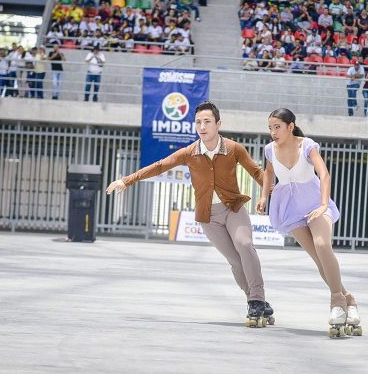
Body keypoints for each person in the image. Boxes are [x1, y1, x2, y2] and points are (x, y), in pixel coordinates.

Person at [106, 101, 275, 327]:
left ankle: (257, 297)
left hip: (233, 208)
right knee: (235, 261)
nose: (202, 126)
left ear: (218, 124)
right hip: (208, 216)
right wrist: (127, 180)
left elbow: (257, 173)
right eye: (198, 122)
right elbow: (160, 166)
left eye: (207, 122)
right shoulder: (190, 152)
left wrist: (275, 191)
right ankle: (255, 302)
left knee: (244, 244)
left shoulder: (234, 149)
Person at [255, 108, 361, 337]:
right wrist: (264, 196)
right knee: (318, 260)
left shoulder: (307, 145)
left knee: (323, 246)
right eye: (270, 128)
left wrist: (324, 204)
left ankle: (337, 303)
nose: (273, 132)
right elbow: (268, 174)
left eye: (277, 127)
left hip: (315, 204)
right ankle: (348, 299)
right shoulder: (269, 150)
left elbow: (324, 174)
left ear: (290, 126)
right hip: (291, 209)